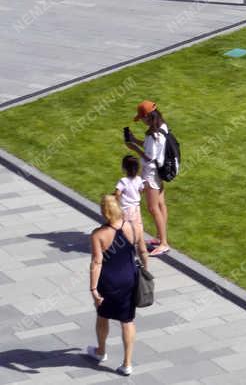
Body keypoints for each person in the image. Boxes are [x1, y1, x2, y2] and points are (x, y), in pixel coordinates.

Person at [84, 194, 148, 376]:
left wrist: (93, 288)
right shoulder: (134, 227)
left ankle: (100, 351)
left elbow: (97, 263)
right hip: (130, 278)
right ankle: (127, 363)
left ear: (104, 212)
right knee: (127, 320)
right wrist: (145, 272)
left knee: (102, 315)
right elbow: (143, 251)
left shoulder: (98, 235)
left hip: (109, 281)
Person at [125, 100, 170, 256]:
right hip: (161, 171)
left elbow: (148, 157)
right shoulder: (162, 127)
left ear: (148, 117)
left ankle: (163, 243)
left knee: (153, 208)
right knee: (161, 204)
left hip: (151, 173)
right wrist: (136, 140)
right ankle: (160, 238)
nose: (141, 121)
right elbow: (152, 147)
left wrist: (134, 148)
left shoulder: (153, 134)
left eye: (142, 118)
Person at [114, 155, 145, 243]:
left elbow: (117, 193)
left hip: (125, 209)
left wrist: (116, 201)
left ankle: (126, 241)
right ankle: (138, 240)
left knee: (125, 226)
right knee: (137, 225)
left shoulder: (123, 181)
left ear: (124, 168)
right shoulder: (139, 179)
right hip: (136, 208)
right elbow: (142, 190)